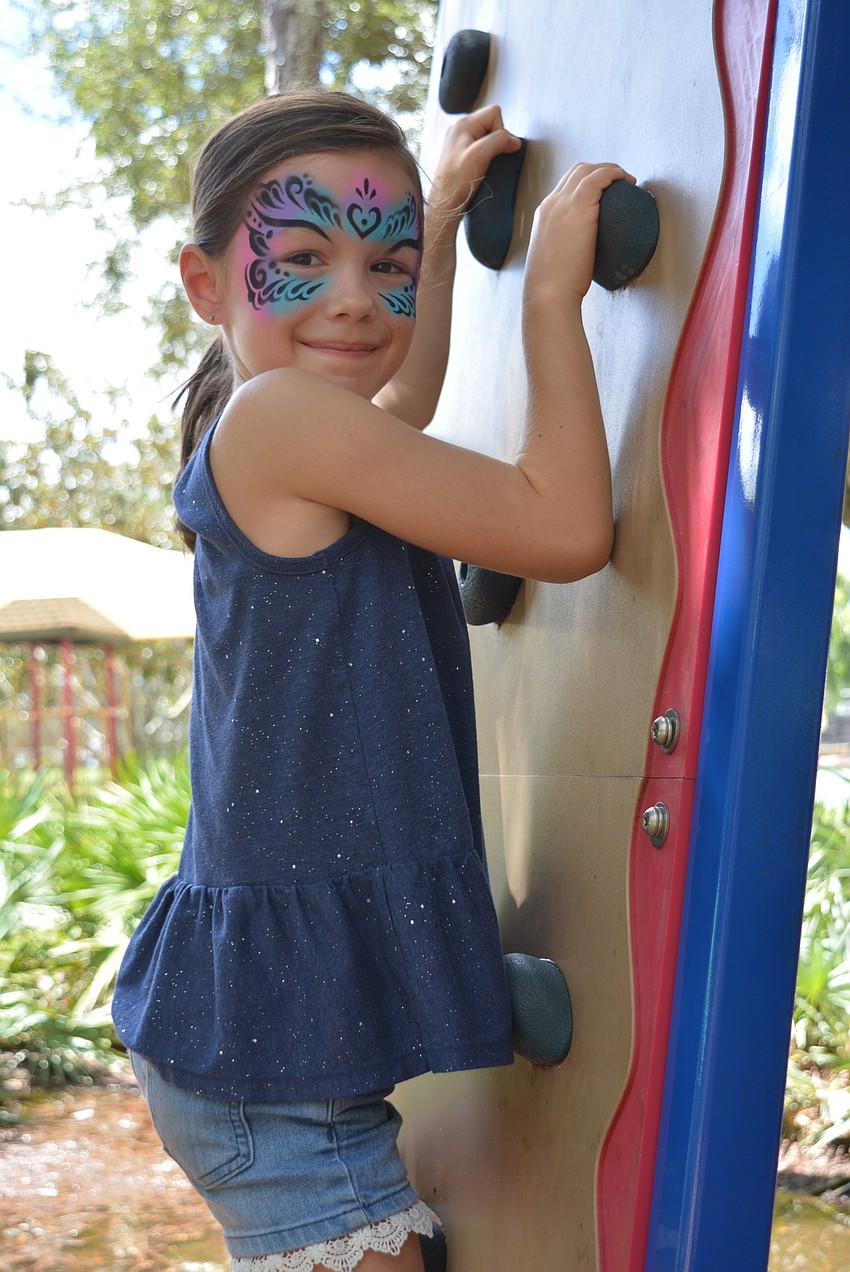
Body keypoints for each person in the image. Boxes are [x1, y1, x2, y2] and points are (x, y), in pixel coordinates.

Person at [112, 88, 630, 1272]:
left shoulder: (290, 422)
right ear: (206, 283)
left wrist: (440, 236)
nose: (356, 297)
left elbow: (402, 401)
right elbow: (562, 528)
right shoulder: (280, 418)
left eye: (385, 264)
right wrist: (551, 298)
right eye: (300, 259)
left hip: (271, 1048)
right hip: (275, 1085)